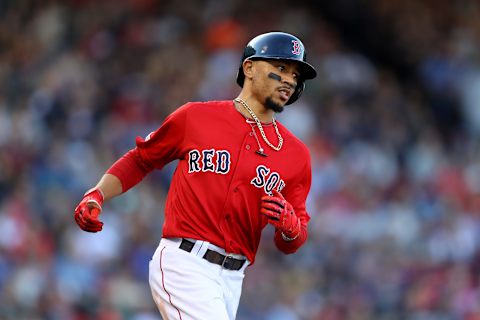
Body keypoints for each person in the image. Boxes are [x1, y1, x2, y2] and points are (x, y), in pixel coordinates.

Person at [74, 31, 317, 320]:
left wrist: (290, 227)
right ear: (249, 68)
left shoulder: (296, 155)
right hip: (185, 263)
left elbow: (293, 240)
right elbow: (141, 159)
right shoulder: (196, 117)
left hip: (232, 280)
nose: (290, 79)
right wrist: (98, 193)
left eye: (295, 73)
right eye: (281, 68)